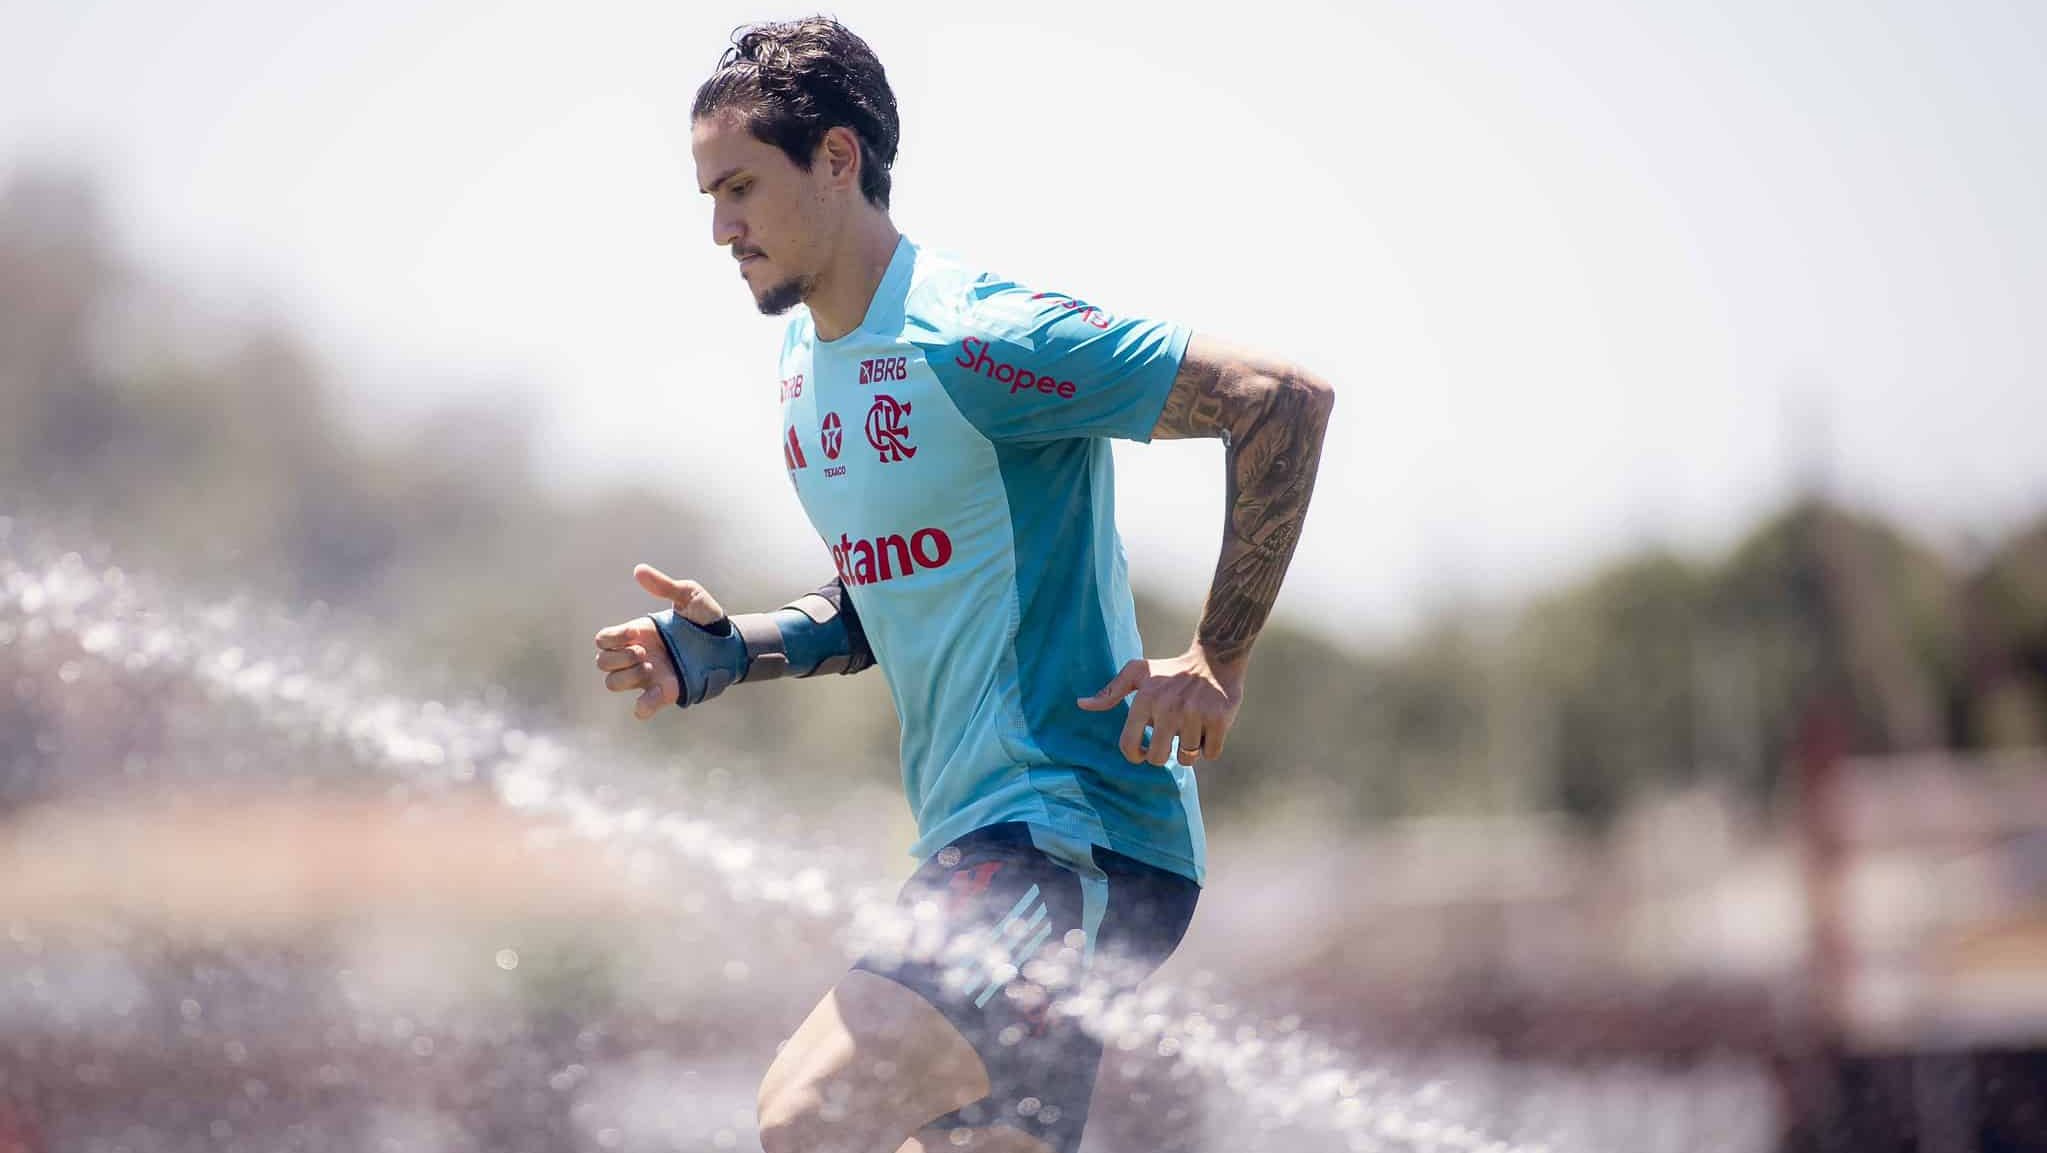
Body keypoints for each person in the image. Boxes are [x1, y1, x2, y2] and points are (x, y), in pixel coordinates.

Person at [592, 16, 1334, 1153]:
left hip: (1069, 833)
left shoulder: (979, 337)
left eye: (738, 187)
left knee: (808, 1114)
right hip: (982, 842)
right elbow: (876, 603)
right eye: (707, 194)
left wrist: (1215, 658)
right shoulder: (805, 375)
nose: (718, 228)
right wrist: (728, 647)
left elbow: (1277, 397)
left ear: (838, 159)